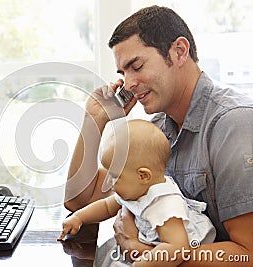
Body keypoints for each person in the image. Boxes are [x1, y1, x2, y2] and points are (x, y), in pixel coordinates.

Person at [63, 5, 253, 266]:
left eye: (136, 66)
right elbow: (79, 199)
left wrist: (137, 249)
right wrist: (94, 121)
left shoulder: (234, 125)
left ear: (179, 51)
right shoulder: (160, 126)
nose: (128, 84)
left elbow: (248, 254)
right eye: (123, 73)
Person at [59, 119, 216, 266]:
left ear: (143, 175)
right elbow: (107, 206)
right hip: (147, 247)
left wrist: (142, 264)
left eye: (114, 176)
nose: (108, 182)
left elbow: (177, 249)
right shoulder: (137, 189)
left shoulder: (165, 206)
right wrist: (79, 218)